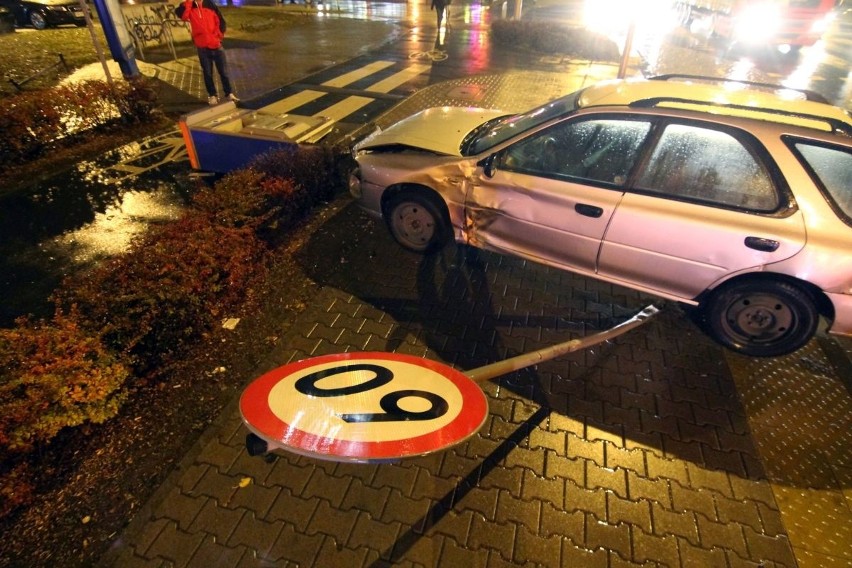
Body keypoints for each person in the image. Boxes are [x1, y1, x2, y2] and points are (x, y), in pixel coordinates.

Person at [175, 0, 238, 105]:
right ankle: (212, 95)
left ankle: (229, 93)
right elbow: (183, 16)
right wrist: (189, 3)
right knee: (207, 73)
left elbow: (220, 21)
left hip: (216, 44)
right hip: (202, 46)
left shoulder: (210, 4)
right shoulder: (189, 6)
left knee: (223, 72)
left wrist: (218, 37)